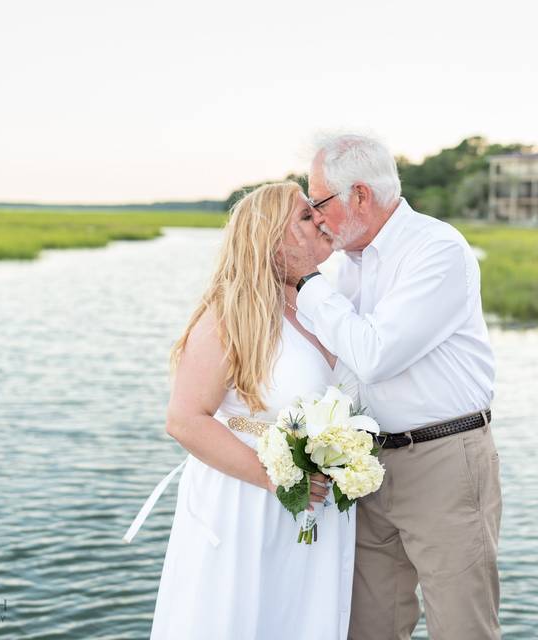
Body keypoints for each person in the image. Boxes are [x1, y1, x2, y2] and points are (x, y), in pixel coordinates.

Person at [282, 134, 502, 640]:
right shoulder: (348, 267)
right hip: (366, 467)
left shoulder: (436, 249)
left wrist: (306, 281)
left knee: (461, 627)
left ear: (359, 195)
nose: (315, 217)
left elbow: (375, 356)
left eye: (319, 201)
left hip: (444, 462)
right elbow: (337, 367)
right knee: (368, 627)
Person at [128, 182, 359, 639]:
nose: (323, 221)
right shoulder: (229, 313)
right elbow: (185, 419)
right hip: (246, 500)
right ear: (273, 239)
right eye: (306, 218)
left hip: (319, 504)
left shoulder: (325, 305)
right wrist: (276, 479)